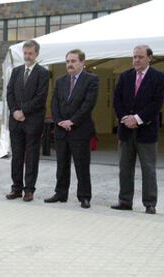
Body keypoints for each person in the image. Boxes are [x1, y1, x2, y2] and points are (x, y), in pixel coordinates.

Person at [111, 45, 164, 215]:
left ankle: (149, 203)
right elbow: (117, 100)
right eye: (134, 56)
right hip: (126, 131)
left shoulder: (159, 78)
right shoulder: (125, 76)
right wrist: (125, 119)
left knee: (148, 169)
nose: (136, 60)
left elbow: (156, 104)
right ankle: (125, 201)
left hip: (147, 131)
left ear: (149, 58)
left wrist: (137, 119)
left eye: (140, 57)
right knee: (125, 168)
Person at [44, 49, 99, 209]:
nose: (70, 64)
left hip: (80, 130)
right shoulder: (60, 81)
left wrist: (72, 121)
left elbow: (88, 104)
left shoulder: (92, 80)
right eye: (68, 61)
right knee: (62, 164)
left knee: (82, 165)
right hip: (61, 130)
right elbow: (54, 103)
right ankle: (61, 193)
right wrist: (59, 121)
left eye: (73, 61)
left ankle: (84, 196)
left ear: (82, 62)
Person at [5, 40, 49, 202]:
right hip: (16, 121)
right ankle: (16, 188)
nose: (27, 56)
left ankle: (29, 190)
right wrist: (15, 111)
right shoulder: (16, 71)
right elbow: (9, 93)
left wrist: (24, 111)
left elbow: (41, 97)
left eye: (30, 53)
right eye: (25, 53)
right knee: (16, 156)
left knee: (31, 157)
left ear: (36, 54)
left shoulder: (42, 73)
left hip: (32, 122)